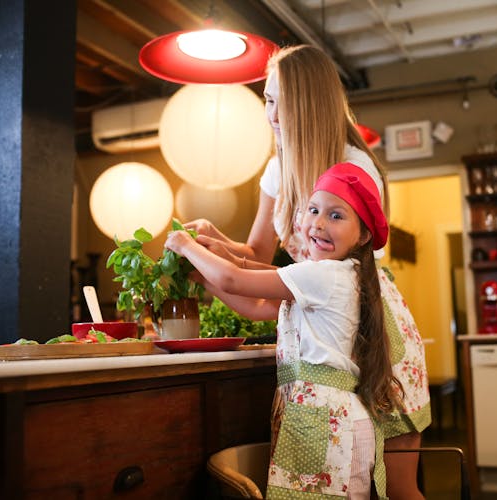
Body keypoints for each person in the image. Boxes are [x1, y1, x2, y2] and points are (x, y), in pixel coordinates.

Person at [184, 44, 431, 499]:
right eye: (267, 100)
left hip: (371, 327)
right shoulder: (278, 168)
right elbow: (258, 254)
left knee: (397, 485)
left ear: (310, 101)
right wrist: (213, 241)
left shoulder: (354, 165)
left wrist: (213, 262)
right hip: (321, 322)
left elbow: (341, 269)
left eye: (282, 101)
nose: (271, 114)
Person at [165, 163, 399, 499]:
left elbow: (233, 278)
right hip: (322, 418)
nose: (318, 223)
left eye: (336, 216)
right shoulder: (328, 276)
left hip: (328, 421)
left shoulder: (326, 276)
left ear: (362, 235)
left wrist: (187, 246)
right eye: (314, 210)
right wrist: (203, 277)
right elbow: (256, 306)